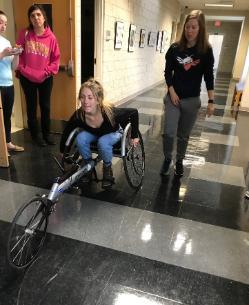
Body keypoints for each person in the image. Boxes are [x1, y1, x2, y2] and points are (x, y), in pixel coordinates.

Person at [161, 9, 214, 177]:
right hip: (173, 98)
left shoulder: (205, 51)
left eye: (193, 27)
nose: (189, 31)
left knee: (183, 136)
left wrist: (211, 101)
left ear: (200, 29)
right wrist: (172, 91)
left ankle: (179, 160)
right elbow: (168, 72)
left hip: (191, 100)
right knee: (169, 132)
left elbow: (208, 76)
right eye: (187, 27)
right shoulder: (175, 48)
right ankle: (168, 158)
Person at [60, 78, 139, 189]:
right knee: (80, 138)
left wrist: (134, 136)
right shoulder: (79, 115)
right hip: (94, 133)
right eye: (82, 97)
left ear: (98, 100)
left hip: (114, 132)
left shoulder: (109, 113)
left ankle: (107, 170)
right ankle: (88, 166)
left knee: (103, 142)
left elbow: (134, 112)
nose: (85, 101)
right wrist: (63, 151)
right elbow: (68, 130)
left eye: (90, 97)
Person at [16, 4, 60, 147]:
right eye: (32, 16)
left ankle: (46, 134)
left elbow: (55, 60)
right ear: (30, 18)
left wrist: (45, 72)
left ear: (43, 16)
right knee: (31, 106)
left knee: (45, 106)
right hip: (27, 77)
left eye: (38, 15)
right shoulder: (25, 34)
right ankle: (36, 135)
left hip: (45, 78)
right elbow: (18, 55)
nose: (36, 18)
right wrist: (23, 69)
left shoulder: (51, 37)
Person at [0, 10, 24, 154]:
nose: (3, 26)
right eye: (0, 22)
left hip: (9, 84)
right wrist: (3, 54)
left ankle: (7, 143)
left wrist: (17, 55)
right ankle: (1, 148)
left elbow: (13, 67)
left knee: (7, 115)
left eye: (5, 23)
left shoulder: (6, 41)